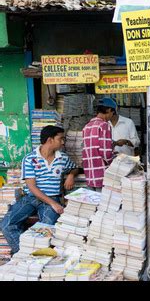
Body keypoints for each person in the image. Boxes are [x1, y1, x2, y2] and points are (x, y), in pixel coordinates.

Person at [1, 125, 78, 254]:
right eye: (60, 139)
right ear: (50, 140)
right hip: (31, 198)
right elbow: (32, 187)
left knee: (48, 230)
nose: (63, 142)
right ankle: (24, 253)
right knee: (6, 224)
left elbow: (74, 167)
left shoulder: (62, 158)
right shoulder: (30, 159)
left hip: (53, 196)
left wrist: (71, 175)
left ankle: (37, 255)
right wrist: (53, 204)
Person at [82, 97, 115, 191]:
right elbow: (106, 154)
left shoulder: (87, 126)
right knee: (103, 204)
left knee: (93, 203)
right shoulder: (104, 125)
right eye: (112, 113)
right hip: (102, 175)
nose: (112, 116)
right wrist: (115, 161)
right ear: (108, 110)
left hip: (90, 175)